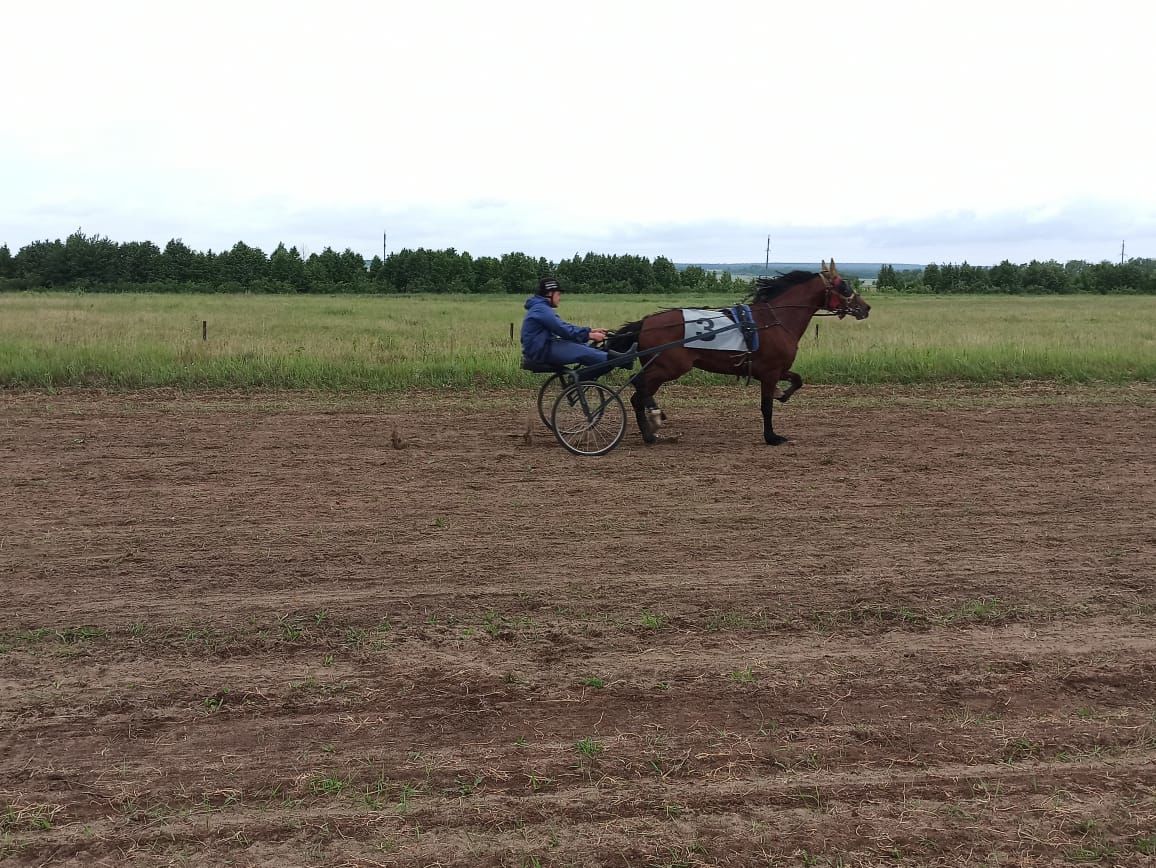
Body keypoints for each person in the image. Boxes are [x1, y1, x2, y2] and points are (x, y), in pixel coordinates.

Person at [520, 277, 611, 370]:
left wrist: (590, 331)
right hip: (541, 351)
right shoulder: (541, 309)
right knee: (593, 354)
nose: (560, 298)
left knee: (589, 349)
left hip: (542, 347)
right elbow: (563, 329)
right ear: (550, 293)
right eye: (558, 294)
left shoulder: (540, 307)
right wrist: (589, 336)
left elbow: (564, 327)